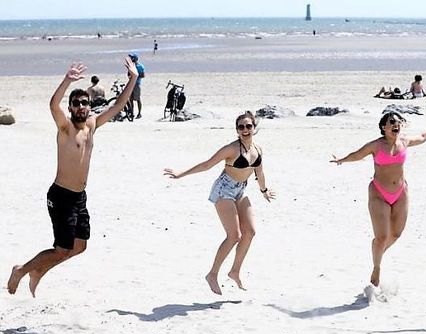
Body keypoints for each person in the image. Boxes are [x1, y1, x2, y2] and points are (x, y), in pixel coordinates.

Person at [7, 57, 138, 297]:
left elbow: (119, 106)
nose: (80, 106)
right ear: (70, 108)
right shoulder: (65, 128)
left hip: (79, 197)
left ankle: (39, 271)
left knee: (79, 247)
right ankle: (22, 270)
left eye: (84, 103)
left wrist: (134, 78)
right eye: (76, 103)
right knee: (61, 249)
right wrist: (67, 80)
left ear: (89, 106)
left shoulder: (92, 124)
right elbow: (52, 104)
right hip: (61, 196)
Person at [163, 111, 276, 295]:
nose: (245, 130)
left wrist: (264, 191)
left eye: (248, 126)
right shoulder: (231, 149)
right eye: (241, 127)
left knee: (250, 232)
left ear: (254, 128)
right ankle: (212, 274)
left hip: (240, 190)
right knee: (234, 235)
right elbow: (207, 164)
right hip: (223, 190)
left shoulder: (258, 150)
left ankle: (234, 272)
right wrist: (180, 174)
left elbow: (259, 172)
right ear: (237, 130)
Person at [331, 113, 426, 286]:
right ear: (384, 127)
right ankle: (377, 267)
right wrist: (342, 160)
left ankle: (378, 251)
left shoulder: (404, 142)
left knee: (396, 234)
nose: (396, 125)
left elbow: (423, 137)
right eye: (392, 122)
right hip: (379, 192)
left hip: (400, 192)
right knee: (382, 237)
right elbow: (357, 154)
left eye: (398, 122)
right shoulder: (376, 145)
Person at [128, 52, 145, 119]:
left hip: (137, 84)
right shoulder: (130, 66)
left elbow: (143, 75)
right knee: (130, 99)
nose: (130, 59)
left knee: (138, 99)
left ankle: (139, 113)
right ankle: (132, 113)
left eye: (131, 58)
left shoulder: (140, 66)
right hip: (131, 83)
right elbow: (128, 74)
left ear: (135, 59)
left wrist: (136, 76)